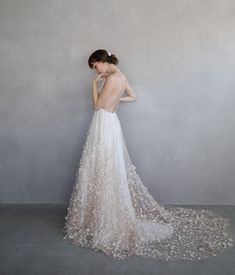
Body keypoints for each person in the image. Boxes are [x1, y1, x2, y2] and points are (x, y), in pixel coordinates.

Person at [63, 49, 234, 261]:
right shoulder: (121, 77)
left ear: (102, 62)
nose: (94, 70)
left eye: (94, 66)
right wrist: (116, 101)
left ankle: (106, 216)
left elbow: (97, 106)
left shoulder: (109, 79)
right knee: (108, 164)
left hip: (104, 123)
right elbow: (132, 96)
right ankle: (105, 212)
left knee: (103, 164)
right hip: (111, 122)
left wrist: (94, 85)